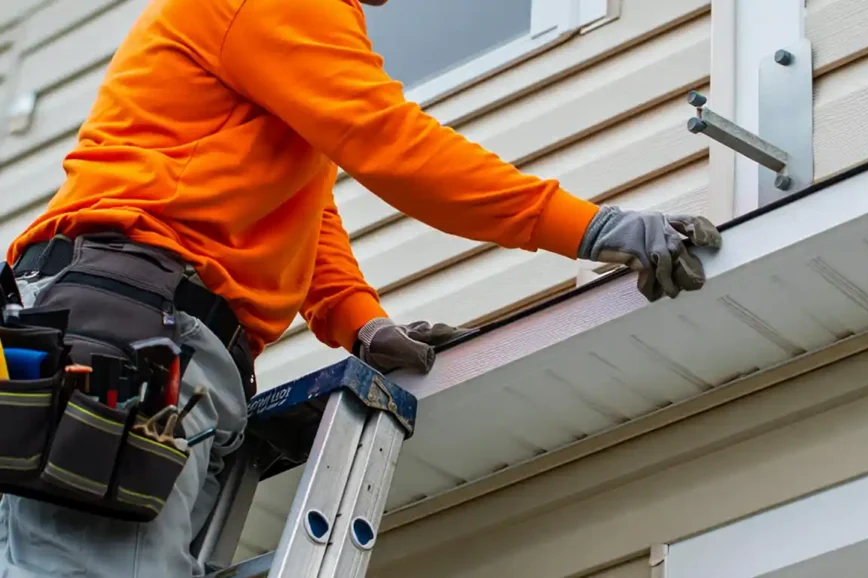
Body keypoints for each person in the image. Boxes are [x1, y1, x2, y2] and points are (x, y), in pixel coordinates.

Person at [0, 0, 722, 576]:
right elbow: (395, 145)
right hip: (134, 323)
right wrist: (594, 229)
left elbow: (302, 206)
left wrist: (357, 321)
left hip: (130, 321)